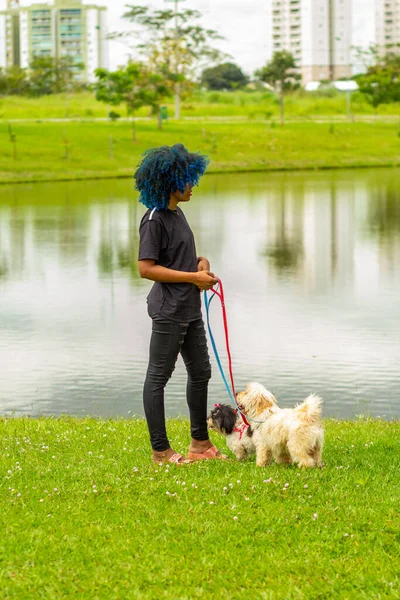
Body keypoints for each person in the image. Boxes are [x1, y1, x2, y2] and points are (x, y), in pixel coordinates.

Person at [135, 144, 227, 465]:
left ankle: (200, 444)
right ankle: (161, 452)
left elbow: (180, 255)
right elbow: (146, 268)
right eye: (188, 179)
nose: (193, 185)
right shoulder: (154, 219)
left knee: (201, 371)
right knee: (157, 378)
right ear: (170, 181)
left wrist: (200, 263)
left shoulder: (177, 212)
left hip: (190, 309)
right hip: (168, 312)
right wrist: (192, 277)